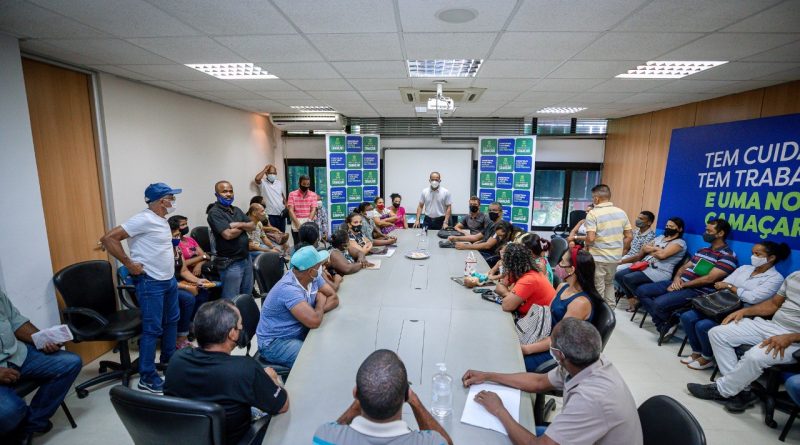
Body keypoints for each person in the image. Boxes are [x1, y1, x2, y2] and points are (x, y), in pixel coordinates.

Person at [462, 318, 642, 445]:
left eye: (551, 344)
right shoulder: (587, 360)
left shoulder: (591, 399)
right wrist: (488, 376)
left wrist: (499, 410)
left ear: (559, 355)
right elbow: (539, 382)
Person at [165, 300, 289, 445]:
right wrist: (272, 379)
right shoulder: (245, 369)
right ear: (232, 334)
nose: (241, 328)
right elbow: (282, 405)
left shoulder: (177, 359)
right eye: (240, 326)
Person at [101, 182, 182, 393]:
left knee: (172, 321)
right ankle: (147, 376)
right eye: (170, 197)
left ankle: (168, 360)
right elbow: (108, 238)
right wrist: (129, 264)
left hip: (168, 279)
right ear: (160, 201)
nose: (173, 201)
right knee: (152, 329)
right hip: (150, 282)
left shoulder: (161, 220)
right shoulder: (143, 219)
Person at [688, 271, 800, 413]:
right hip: (772, 326)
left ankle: (723, 390)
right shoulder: (794, 276)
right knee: (718, 333)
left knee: (754, 357)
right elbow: (773, 304)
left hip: (795, 339)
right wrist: (745, 312)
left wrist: (792, 337)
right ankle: (742, 391)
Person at [679, 241, 789, 370]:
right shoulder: (744, 269)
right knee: (687, 316)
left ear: (771, 258)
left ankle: (708, 357)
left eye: (757, 254)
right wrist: (732, 288)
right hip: (722, 303)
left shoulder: (776, 278)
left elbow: (753, 298)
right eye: (752, 253)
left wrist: (731, 287)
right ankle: (696, 351)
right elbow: (721, 284)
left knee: (703, 325)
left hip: (744, 310)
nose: (753, 257)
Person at [313, 349, 453, 445]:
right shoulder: (432, 441)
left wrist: (362, 398)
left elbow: (337, 428)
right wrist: (414, 401)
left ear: (355, 393)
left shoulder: (325, 435)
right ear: (405, 396)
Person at [0, 289, 82, 440]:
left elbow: (16, 322)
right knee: (10, 410)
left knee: (70, 363)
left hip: (17, 354)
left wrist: (43, 339)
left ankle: (30, 425)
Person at [636, 218, 738, 337]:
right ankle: (667, 322)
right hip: (679, 283)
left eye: (709, 231)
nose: (705, 234)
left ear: (720, 234)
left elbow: (709, 279)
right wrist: (677, 279)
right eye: (706, 230)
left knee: (658, 304)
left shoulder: (728, 256)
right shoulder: (703, 250)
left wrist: (682, 285)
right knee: (641, 291)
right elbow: (683, 268)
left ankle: (664, 323)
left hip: (697, 291)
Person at [256, 246, 339, 368]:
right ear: (311, 271)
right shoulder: (289, 289)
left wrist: (315, 312)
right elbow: (314, 321)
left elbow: (334, 297)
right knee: (318, 357)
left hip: (299, 331)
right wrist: (320, 302)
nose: (322, 268)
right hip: (276, 342)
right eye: (319, 265)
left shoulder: (313, 277)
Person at [523, 246, 601, 372]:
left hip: (558, 351)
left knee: (516, 362)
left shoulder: (580, 303)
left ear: (571, 269)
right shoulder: (562, 287)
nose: (558, 265)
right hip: (545, 339)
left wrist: (526, 349)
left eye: (563, 262)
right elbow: (547, 317)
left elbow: (559, 338)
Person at [615, 217, 687, 312]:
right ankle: (633, 299)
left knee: (628, 278)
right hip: (645, 266)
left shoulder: (680, 243)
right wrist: (657, 250)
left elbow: (662, 256)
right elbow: (645, 248)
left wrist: (652, 250)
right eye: (667, 226)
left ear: (679, 229)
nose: (668, 228)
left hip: (660, 271)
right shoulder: (660, 237)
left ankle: (639, 301)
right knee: (619, 275)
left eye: (671, 226)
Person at [584, 184, 633, 308]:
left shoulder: (593, 214)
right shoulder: (621, 212)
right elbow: (629, 236)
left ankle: (598, 317)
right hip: (615, 258)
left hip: (599, 257)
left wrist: (585, 244)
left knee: (598, 286)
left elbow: (590, 238)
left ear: (596, 198)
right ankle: (610, 313)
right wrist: (621, 252)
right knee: (609, 283)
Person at [207, 181, 255, 300]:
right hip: (231, 262)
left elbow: (253, 225)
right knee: (231, 299)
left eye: (230, 191)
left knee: (246, 295)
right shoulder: (214, 212)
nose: (228, 194)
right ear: (216, 194)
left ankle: (245, 318)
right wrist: (244, 227)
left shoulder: (236, 210)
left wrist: (238, 224)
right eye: (224, 191)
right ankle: (230, 320)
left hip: (245, 258)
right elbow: (228, 235)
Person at [169, 218, 210, 350]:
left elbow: (184, 270)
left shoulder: (176, 248)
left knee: (203, 289)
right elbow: (161, 279)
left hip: (178, 280)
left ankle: (193, 325)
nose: (177, 238)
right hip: (167, 284)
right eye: (174, 235)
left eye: (177, 235)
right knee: (188, 298)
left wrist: (197, 281)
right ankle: (181, 336)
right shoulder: (161, 251)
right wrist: (186, 286)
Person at [494, 244, 556, 316]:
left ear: (510, 264)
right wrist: (507, 293)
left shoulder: (529, 279)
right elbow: (501, 285)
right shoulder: (522, 271)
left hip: (535, 322)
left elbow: (506, 306)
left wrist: (507, 294)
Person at [295, 221, 342, 291]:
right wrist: (337, 279)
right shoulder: (315, 262)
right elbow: (333, 288)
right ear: (317, 238)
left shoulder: (296, 252)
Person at [254, 163, 287, 233]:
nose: (273, 175)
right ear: (266, 173)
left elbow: (282, 195)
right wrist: (265, 169)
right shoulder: (263, 183)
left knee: (281, 234)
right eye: (271, 173)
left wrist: (286, 206)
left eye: (274, 173)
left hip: (281, 214)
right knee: (272, 235)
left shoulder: (279, 183)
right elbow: (257, 179)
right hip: (270, 215)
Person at [287, 175, 318, 245]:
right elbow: (290, 210)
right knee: (298, 245)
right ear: (299, 183)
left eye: (308, 184)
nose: (306, 186)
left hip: (308, 221)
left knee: (310, 245)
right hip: (296, 221)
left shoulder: (313, 195)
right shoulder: (292, 194)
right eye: (304, 184)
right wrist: (297, 224)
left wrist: (308, 222)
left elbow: (313, 209)